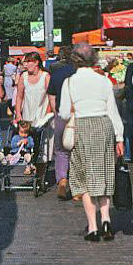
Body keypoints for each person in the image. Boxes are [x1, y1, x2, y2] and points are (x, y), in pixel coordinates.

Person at [59, 44, 124, 242]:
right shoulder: (103, 80)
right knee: (103, 173)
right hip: (103, 126)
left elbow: (62, 113)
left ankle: (93, 227)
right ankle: (106, 219)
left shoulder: (69, 82)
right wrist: (119, 137)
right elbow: (113, 110)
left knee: (83, 178)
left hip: (82, 127)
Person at [47, 46, 76, 199]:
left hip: (60, 115)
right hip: (78, 116)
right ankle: (78, 187)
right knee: (78, 150)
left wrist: (56, 113)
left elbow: (51, 97)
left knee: (60, 151)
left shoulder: (56, 74)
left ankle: (62, 180)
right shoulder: (79, 73)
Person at [14, 51, 50, 125]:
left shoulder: (46, 76)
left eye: (28, 61)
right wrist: (18, 114)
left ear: (36, 62)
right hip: (27, 117)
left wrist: (47, 115)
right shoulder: (23, 76)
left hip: (42, 117)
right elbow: (19, 96)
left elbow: (51, 97)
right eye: (25, 62)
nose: (26, 64)